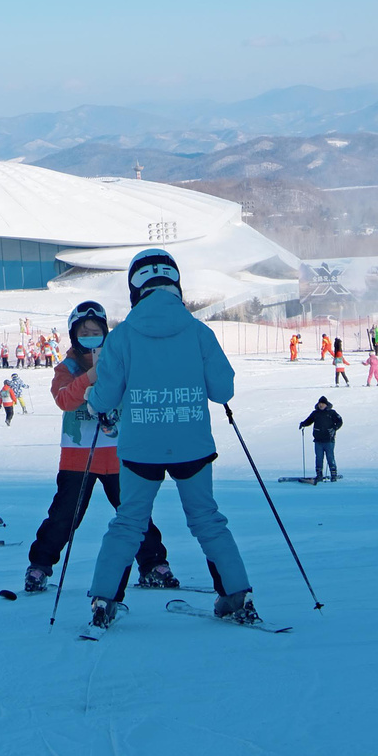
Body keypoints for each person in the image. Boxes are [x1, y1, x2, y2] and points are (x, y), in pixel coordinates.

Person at [85, 248, 258, 632]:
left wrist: (92, 399)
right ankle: (237, 595)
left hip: (140, 448)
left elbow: (105, 398)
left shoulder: (124, 336)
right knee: (207, 520)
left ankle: (103, 600)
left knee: (128, 523)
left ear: (136, 288)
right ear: (175, 283)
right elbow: (223, 390)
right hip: (191, 444)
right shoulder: (199, 331)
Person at [25, 301, 177, 594]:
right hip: (78, 457)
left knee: (134, 512)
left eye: (96, 332)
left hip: (118, 454)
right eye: (85, 333)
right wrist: (91, 377)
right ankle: (39, 566)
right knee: (64, 516)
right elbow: (64, 399)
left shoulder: (118, 361)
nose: (91, 338)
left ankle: (153, 564)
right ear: (74, 336)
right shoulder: (66, 367)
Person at [298, 396, 343, 483]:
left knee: (330, 457)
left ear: (326, 404)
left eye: (322, 404)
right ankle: (319, 475)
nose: (321, 405)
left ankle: (333, 474)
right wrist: (303, 424)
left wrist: (334, 428)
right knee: (319, 458)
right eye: (319, 404)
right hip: (318, 440)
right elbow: (309, 420)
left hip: (329, 440)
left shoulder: (331, 413)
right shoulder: (315, 413)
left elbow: (340, 421)